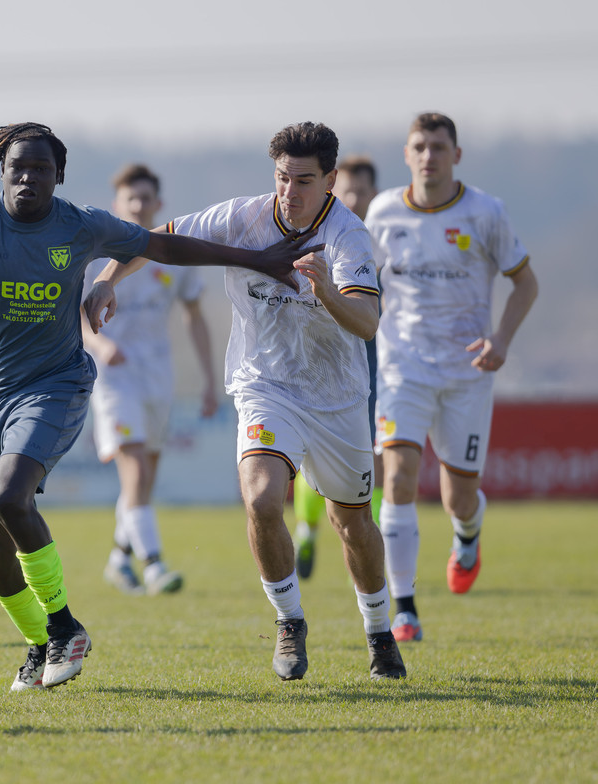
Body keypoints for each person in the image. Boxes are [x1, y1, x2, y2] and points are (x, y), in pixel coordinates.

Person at [0, 122, 317, 692]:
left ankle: (66, 627)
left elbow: (161, 245)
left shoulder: (80, 224)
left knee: (9, 497)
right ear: (2, 172)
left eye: (41, 169)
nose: (27, 177)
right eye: (18, 168)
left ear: (58, 176)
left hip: (56, 383)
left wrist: (257, 258)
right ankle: (39, 644)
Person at [86, 122, 407, 681]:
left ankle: (379, 632)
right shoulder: (243, 217)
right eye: (282, 178)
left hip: (336, 399)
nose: (290, 191)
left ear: (331, 180)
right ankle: (289, 621)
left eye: (304, 181)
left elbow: (366, 322)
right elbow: (157, 239)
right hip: (265, 386)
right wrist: (109, 277)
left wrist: (327, 290)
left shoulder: (348, 236)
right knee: (261, 499)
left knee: (352, 524)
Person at [367, 113, 538, 643]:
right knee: (397, 478)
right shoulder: (383, 212)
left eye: (438, 147)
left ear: (456, 155)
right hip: (402, 367)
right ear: (406, 154)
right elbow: (360, 281)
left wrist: (501, 340)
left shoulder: (485, 212)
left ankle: (467, 533)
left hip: (468, 372)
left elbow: (526, 284)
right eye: (419, 146)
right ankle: (403, 609)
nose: (428, 156)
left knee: (458, 498)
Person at [80, 163, 218, 596]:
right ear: (117, 205)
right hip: (114, 377)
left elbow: (194, 315)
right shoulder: (96, 255)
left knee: (143, 479)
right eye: (131, 198)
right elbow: (75, 316)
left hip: (158, 376)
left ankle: (119, 558)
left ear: (159, 203)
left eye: (145, 198)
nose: (139, 205)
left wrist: (210, 379)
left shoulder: (172, 253)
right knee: (136, 470)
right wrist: (100, 346)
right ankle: (154, 564)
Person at [293, 154, 382, 578]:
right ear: (332, 189)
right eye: (348, 191)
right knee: (311, 452)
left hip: (373, 360)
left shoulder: (382, 239)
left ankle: (368, 536)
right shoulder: (320, 234)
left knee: (370, 454)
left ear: (374, 194)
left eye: (362, 192)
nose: (354, 199)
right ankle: (307, 529)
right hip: (319, 359)